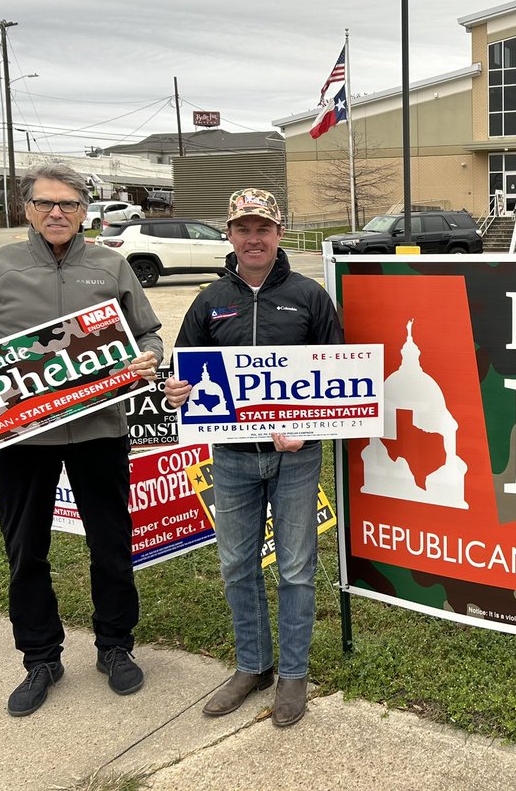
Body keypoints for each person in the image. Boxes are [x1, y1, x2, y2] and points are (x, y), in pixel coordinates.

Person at [0, 163, 162, 717]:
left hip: (100, 432)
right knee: (26, 549)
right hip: (20, 442)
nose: (58, 213)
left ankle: (115, 646)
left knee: (110, 542)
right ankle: (40, 657)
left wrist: (151, 353)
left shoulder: (109, 265)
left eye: (70, 205)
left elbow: (146, 329)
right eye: (46, 203)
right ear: (27, 208)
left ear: (85, 211)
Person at [163, 187, 342, 728]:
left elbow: (339, 376)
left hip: (296, 457)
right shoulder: (208, 299)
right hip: (233, 457)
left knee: (295, 569)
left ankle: (292, 675)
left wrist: (310, 425)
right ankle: (252, 666)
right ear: (230, 235)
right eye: (243, 228)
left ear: (279, 234)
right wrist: (175, 391)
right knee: (237, 565)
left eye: (263, 228)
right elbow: (184, 373)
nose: (254, 238)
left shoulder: (310, 297)